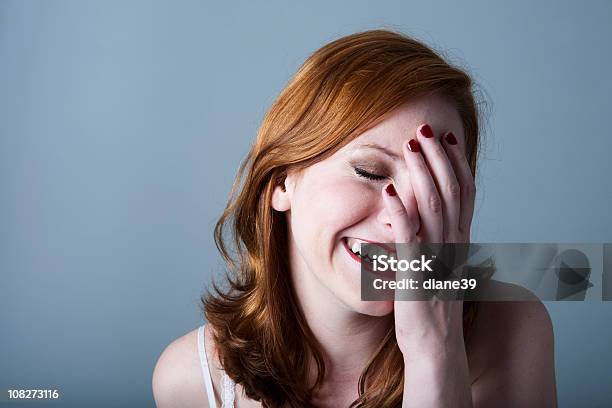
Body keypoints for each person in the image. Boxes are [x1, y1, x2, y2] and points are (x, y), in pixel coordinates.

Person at [152, 29, 557, 407]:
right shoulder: (188, 379)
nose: (404, 222)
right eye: (371, 173)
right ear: (280, 182)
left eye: (435, 187)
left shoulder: (513, 326)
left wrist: (434, 350)